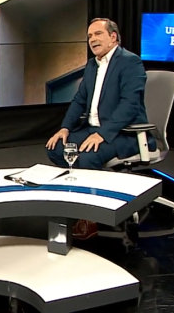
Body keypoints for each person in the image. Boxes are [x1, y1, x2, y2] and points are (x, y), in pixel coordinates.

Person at [45, 18, 151, 239]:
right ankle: (84, 194)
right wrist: (65, 128)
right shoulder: (92, 65)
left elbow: (129, 106)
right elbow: (79, 100)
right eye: (89, 36)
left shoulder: (130, 62)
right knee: (56, 149)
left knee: (87, 157)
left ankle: (91, 215)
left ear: (113, 37)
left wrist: (102, 134)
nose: (92, 39)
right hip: (92, 129)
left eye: (97, 34)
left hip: (124, 132)